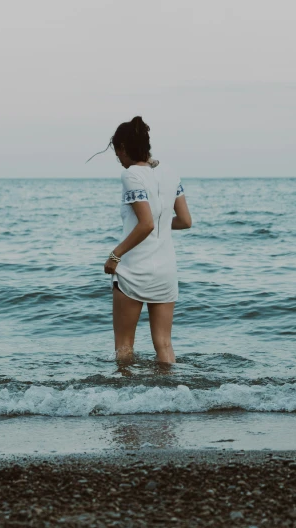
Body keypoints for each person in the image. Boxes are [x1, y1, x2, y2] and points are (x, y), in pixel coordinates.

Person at [87, 116, 192, 365]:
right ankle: (174, 398)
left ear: (124, 148)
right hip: (166, 270)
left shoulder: (131, 175)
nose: (118, 159)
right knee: (164, 344)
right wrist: (160, 224)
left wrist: (115, 255)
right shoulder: (169, 172)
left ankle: (126, 402)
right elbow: (185, 221)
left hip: (134, 269)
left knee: (124, 347)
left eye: (117, 153)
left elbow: (146, 223)